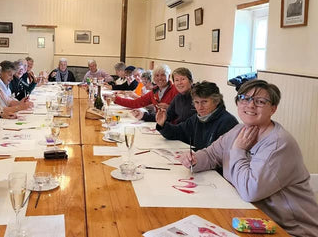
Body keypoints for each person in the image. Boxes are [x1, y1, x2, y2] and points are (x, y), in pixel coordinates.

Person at [178, 80, 318, 236]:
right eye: (244, 98)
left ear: (273, 109)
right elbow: (212, 154)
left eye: (260, 101)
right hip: (248, 217)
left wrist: (238, 150)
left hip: (287, 229)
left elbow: (250, 190)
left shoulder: (279, 144)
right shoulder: (240, 130)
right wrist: (194, 159)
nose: (250, 105)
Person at [156, 81, 238, 150]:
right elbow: (178, 132)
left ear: (216, 101)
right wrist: (162, 125)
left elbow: (223, 156)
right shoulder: (196, 118)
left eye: (204, 102)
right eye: (196, 102)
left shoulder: (228, 122)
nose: (200, 107)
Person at [112, 64, 178, 110]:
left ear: (169, 76)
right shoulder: (154, 92)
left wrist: (170, 108)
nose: (160, 78)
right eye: (157, 76)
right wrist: (116, 99)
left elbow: (183, 111)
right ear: (154, 78)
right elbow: (135, 103)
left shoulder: (176, 90)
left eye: (163, 75)